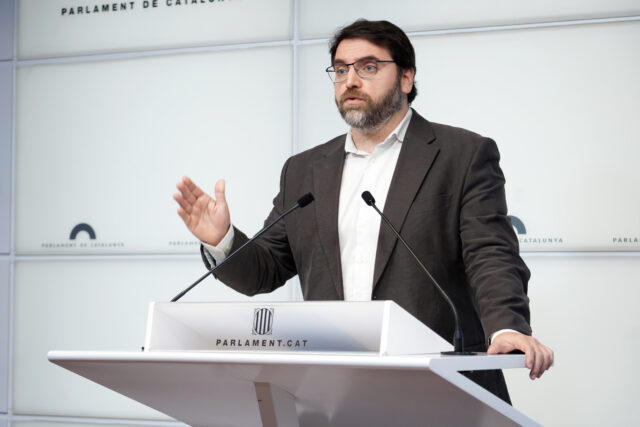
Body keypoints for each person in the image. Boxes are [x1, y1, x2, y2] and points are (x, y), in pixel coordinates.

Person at [174, 19, 553, 403]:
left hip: (438, 387)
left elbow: (490, 253)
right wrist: (222, 240)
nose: (350, 81)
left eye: (368, 67)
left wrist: (506, 328)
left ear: (406, 78)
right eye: (341, 70)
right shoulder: (303, 170)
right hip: (334, 394)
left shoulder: (462, 155)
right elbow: (265, 269)